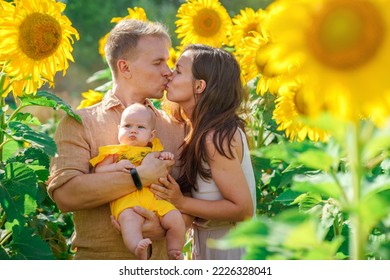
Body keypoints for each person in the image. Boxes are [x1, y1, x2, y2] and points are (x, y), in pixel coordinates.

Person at [47, 19, 186, 260]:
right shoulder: (79, 122)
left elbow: (193, 198)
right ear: (125, 67)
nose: (168, 71)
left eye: (168, 61)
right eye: (158, 62)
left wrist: (165, 226)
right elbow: (65, 195)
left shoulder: (175, 127)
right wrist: (139, 176)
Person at [151, 44, 257, 260]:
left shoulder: (214, 137)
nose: (170, 74)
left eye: (179, 71)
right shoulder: (202, 128)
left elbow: (243, 209)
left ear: (199, 86)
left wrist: (181, 202)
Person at [90, 103, 185, 260]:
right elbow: (99, 171)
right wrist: (116, 166)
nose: (133, 130)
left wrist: (166, 157)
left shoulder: (154, 150)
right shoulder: (115, 152)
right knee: (129, 222)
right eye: (127, 126)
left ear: (151, 136)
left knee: (175, 217)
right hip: (127, 201)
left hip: (154, 198)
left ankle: (174, 250)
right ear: (119, 129)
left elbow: (163, 167)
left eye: (140, 127)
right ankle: (137, 248)